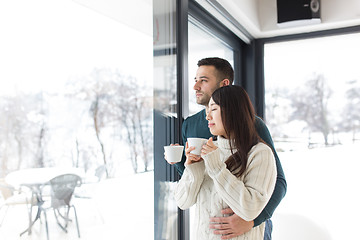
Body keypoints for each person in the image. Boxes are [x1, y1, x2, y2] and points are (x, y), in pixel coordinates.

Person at [168, 57, 287, 239]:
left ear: (224, 85)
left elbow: (277, 181)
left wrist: (252, 221)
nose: (195, 87)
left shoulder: (255, 130)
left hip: (248, 225)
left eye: (204, 80)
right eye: (195, 80)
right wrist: (183, 164)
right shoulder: (190, 125)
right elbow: (191, 189)